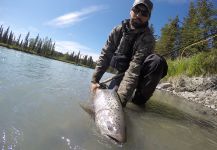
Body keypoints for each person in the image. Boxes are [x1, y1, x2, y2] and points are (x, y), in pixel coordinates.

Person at [90, 0, 168, 107]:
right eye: (137, 10)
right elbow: (105, 55)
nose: (139, 15)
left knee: (157, 62)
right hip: (122, 73)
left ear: (148, 17)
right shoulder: (117, 31)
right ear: (131, 11)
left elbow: (134, 69)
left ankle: (139, 101)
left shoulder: (148, 39)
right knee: (111, 96)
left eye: (144, 13)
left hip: (140, 73)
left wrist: (121, 102)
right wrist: (95, 80)